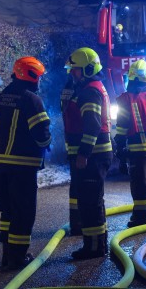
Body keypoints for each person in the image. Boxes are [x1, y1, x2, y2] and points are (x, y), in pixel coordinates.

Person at [0, 56, 51, 270]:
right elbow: (41, 133)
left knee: (8, 210)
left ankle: (7, 254)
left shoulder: (2, 97)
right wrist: (47, 143)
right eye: (38, 77)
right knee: (24, 212)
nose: (40, 81)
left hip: (2, 164)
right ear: (30, 75)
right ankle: (18, 257)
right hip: (24, 165)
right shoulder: (32, 99)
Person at [61, 47, 113, 260]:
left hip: (92, 157)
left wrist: (83, 153)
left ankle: (94, 248)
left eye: (76, 71)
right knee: (92, 201)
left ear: (88, 69)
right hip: (95, 156)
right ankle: (97, 244)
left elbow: (92, 125)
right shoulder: (91, 87)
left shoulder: (89, 91)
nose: (73, 74)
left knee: (90, 203)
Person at [114, 59, 146, 228]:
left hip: (137, 150)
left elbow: (121, 127)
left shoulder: (124, 98)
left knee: (140, 184)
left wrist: (120, 151)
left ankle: (142, 217)